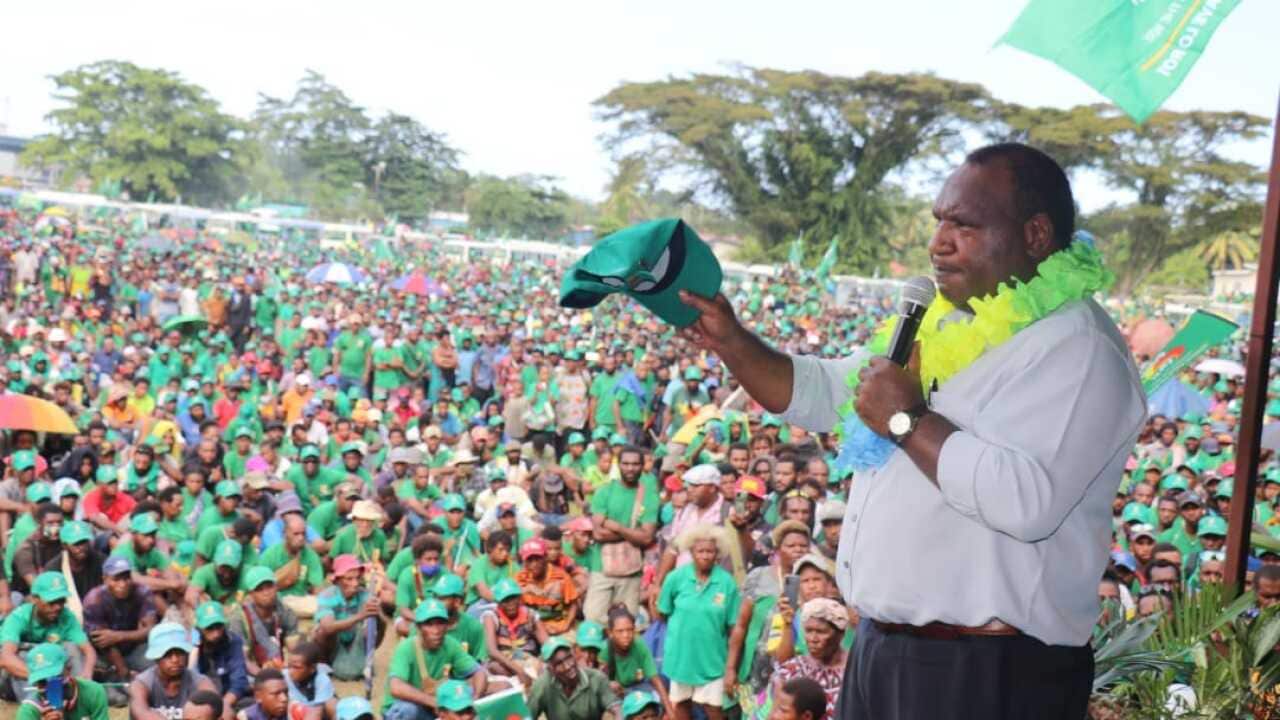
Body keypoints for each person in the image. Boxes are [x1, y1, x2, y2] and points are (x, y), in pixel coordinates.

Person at [678, 142, 1145, 718]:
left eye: (964, 224)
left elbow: (1028, 501)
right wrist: (733, 340)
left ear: (1036, 234)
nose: (938, 242)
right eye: (939, 222)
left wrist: (907, 421)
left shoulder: (1078, 347)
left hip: (984, 671)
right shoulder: (945, 323)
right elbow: (825, 392)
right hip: (884, 650)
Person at [655, 527, 739, 720]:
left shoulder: (726, 582)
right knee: (682, 705)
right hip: (681, 657)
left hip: (712, 659)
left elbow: (734, 626)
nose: (705, 556)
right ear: (691, 552)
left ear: (717, 554)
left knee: (715, 710)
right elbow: (663, 613)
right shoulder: (676, 578)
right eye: (700, 551)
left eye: (710, 551)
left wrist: (731, 666)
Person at [586, 446, 659, 623]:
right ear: (618, 465)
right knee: (593, 618)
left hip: (631, 571)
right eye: (625, 463)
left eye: (635, 464)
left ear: (643, 466)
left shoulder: (649, 496)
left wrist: (616, 526)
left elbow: (647, 537)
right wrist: (634, 533)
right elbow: (599, 534)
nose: (630, 468)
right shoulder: (604, 492)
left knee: (626, 623)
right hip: (601, 567)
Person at [382, 598, 488, 720]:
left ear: (447, 625)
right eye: (429, 624)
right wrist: (434, 702)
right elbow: (396, 687)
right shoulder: (406, 648)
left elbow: (478, 672)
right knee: (408, 710)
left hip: (437, 707)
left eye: (440, 623)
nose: (436, 630)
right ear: (418, 627)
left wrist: (474, 700)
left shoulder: (450, 644)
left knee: (493, 688)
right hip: (410, 708)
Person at [0, 572, 96, 701]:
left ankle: (80, 692)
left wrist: (87, 671)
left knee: (71, 647)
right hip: (18, 677)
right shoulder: (18, 617)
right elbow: (5, 659)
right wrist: (41, 677)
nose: (57, 607)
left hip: (51, 673)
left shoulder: (66, 616)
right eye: (51, 602)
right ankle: (35, 701)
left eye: (61, 601)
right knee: (21, 655)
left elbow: (88, 650)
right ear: (35, 599)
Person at [81, 556, 160, 685]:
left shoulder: (142, 592)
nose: (122, 584)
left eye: (126, 578)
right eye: (116, 579)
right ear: (105, 579)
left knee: (156, 667)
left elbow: (150, 631)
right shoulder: (94, 600)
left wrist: (118, 636)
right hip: (104, 654)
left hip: (134, 649)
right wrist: (125, 673)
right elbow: (103, 642)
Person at [769, 598, 850, 720]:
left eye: (821, 632)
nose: (813, 638)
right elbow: (774, 715)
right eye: (808, 631)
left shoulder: (855, 671)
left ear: (840, 634)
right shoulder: (792, 670)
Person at [313, 554, 383, 681]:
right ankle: (325, 664)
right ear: (337, 580)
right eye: (349, 579)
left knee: (374, 625)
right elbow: (328, 627)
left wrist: (377, 614)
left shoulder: (365, 595)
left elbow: (378, 627)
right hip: (334, 642)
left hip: (355, 639)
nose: (355, 583)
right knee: (321, 632)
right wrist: (360, 616)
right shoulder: (327, 596)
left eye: (357, 578)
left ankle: (365, 659)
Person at [129, 623, 218, 720]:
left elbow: (216, 705)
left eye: (180, 653)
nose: (175, 660)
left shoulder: (201, 682)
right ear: (156, 657)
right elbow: (140, 710)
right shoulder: (141, 683)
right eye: (167, 654)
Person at [601, 606, 675, 718]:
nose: (625, 635)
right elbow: (600, 677)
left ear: (634, 629)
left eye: (629, 630)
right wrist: (609, 684)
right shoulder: (606, 649)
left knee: (658, 702)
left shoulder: (639, 645)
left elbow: (656, 681)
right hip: (618, 692)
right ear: (610, 633)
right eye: (620, 631)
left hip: (640, 685)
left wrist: (671, 713)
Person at [526, 638, 619, 720]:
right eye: (559, 663)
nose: (567, 666)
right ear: (550, 669)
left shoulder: (596, 678)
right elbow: (527, 716)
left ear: (574, 655)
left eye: (569, 658)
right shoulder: (542, 685)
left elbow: (616, 707)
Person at [229, 567, 298, 675]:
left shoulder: (285, 611)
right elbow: (243, 659)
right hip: (250, 670)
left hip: (277, 665)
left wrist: (289, 669)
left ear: (276, 587)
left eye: (269, 587)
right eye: (259, 589)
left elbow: (295, 650)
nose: (266, 593)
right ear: (251, 594)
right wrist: (263, 676)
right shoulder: (239, 618)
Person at [15, 642, 110, 720]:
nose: (49, 687)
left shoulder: (93, 692)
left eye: (55, 678)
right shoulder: (30, 710)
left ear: (69, 668)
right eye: (42, 682)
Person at [191, 602, 250, 717]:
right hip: (198, 703)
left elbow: (239, 680)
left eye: (219, 627)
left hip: (228, 697)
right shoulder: (190, 645)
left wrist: (223, 705)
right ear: (199, 629)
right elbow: (190, 678)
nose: (216, 633)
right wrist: (194, 650)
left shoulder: (233, 641)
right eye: (209, 628)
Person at [514, 538, 579, 636]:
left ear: (545, 557)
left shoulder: (561, 577)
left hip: (558, 626)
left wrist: (566, 626)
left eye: (538, 559)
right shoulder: (519, 579)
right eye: (529, 560)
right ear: (524, 562)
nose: (534, 564)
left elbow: (573, 604)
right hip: (531, 628)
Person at [283, 641, 335, 720]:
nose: (291, 671)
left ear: (312, 669)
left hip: (316, 715)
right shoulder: (284, 676)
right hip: (292, 714)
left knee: (332, 703)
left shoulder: (322, 680)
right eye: (289, 666)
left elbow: (317, 712)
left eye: (296, 667)